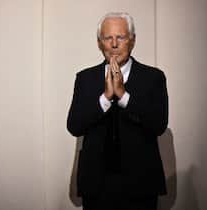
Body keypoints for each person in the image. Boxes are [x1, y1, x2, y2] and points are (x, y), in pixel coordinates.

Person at [67, 12, 168, 210]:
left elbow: (159, 125)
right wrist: (105, 98)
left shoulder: (153, 78)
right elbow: (74, 126)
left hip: (141, 187)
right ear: (99, 43)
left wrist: (123, 96)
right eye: (108, 38)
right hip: (96, 187)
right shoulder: (85, 78)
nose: (114, 44)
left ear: (132, 41)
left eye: (120, 37)